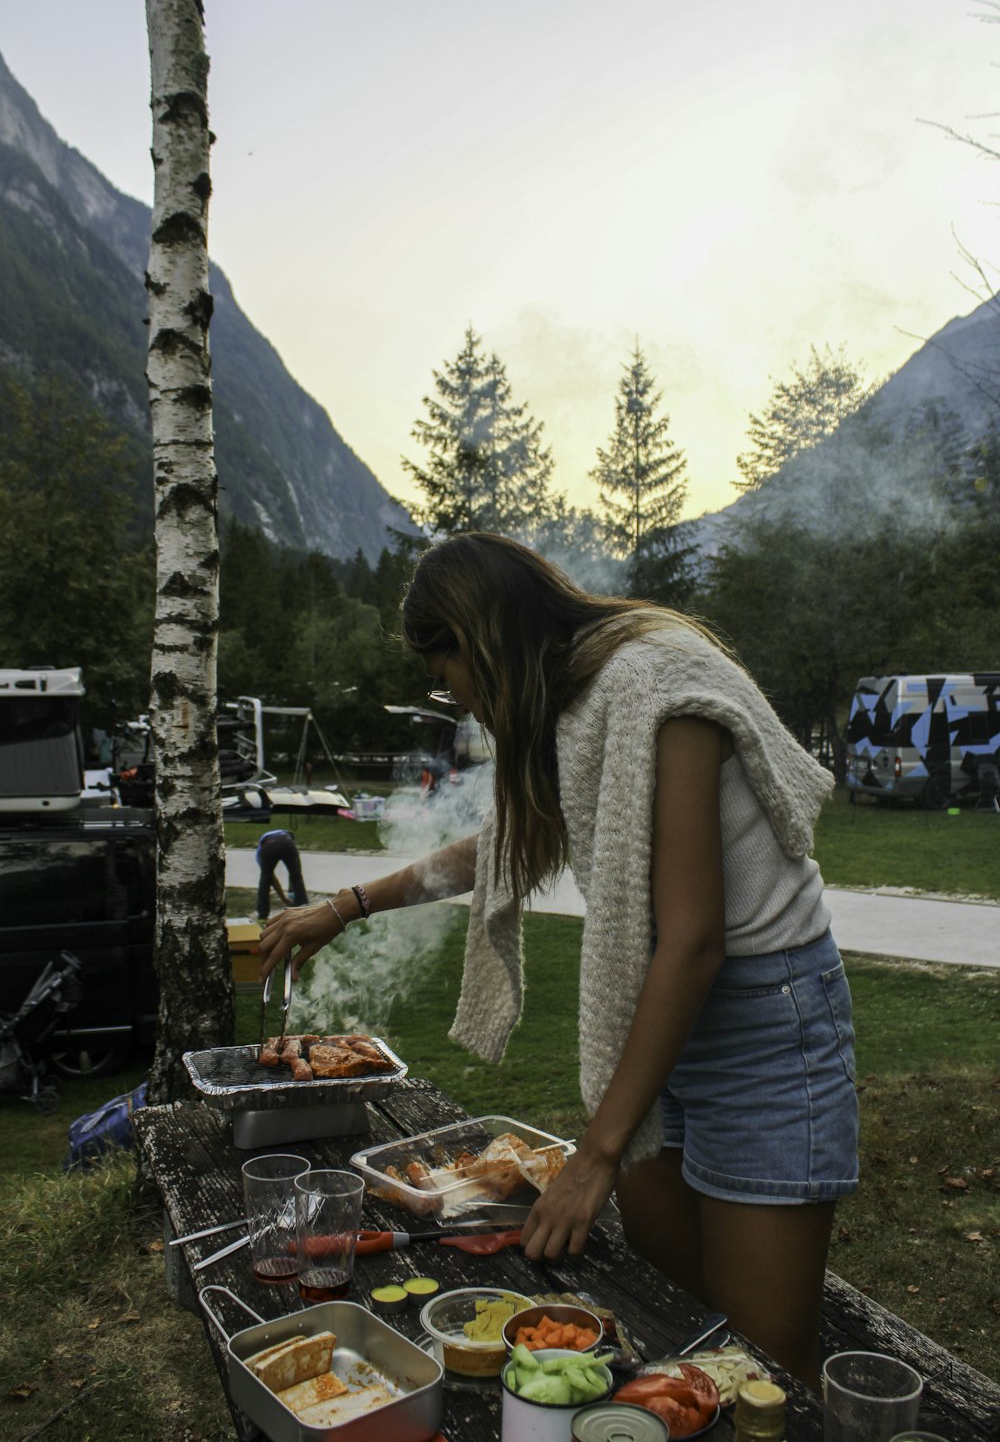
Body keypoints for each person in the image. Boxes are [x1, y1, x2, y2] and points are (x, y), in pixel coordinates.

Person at [258, 533, 858, 1390]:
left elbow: (694, 939)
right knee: (678, 1324)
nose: (461, 704)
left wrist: (596, 1156)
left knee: (766, 1371)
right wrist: (347, 905)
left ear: (478, 640)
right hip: (657, 1024)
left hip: (764, 1028)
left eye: (450, 677)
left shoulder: (657, 681)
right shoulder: (577, 704)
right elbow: (507, 845)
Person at [255, 828, 308, 922]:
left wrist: (283, 898)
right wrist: (287, 895)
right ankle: (304, 910)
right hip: (287, 843)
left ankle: (262, 916)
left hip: (268, 846)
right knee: (297, 876)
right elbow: (295, 875)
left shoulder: (259, 852)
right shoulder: (288, 837)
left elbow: (271, 879)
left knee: (264, 880)